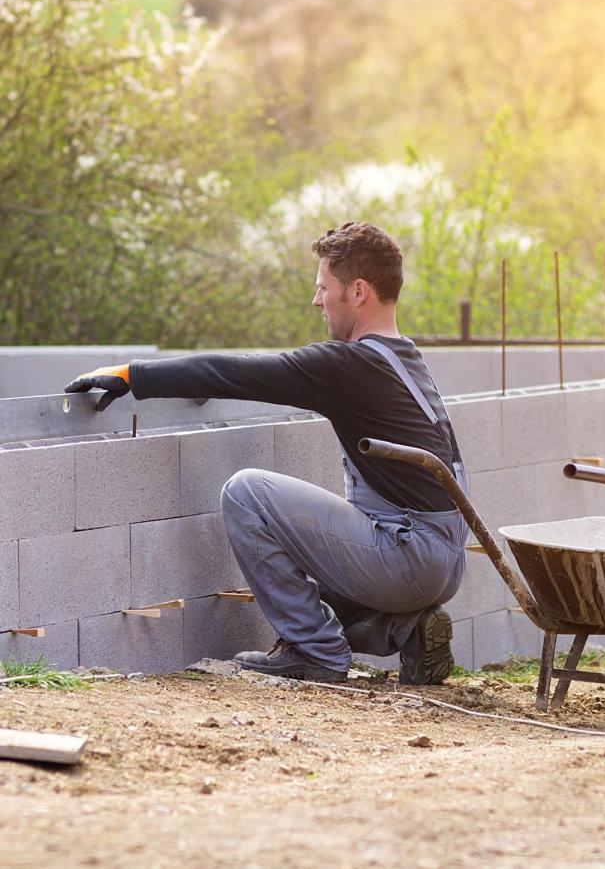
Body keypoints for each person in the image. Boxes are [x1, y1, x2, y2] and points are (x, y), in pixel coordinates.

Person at [65, 222, 469, 685]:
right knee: (308, 581)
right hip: (442, 557)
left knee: (248, 494)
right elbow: (248, 373)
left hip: (407, 554)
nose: (317, 301)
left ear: (357, 292)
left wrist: (132, 374)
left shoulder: (349, 365)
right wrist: (199, 382)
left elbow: (245, 371)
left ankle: (314, 653)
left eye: (323, 288)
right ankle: (409, 628)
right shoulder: (403, 356)